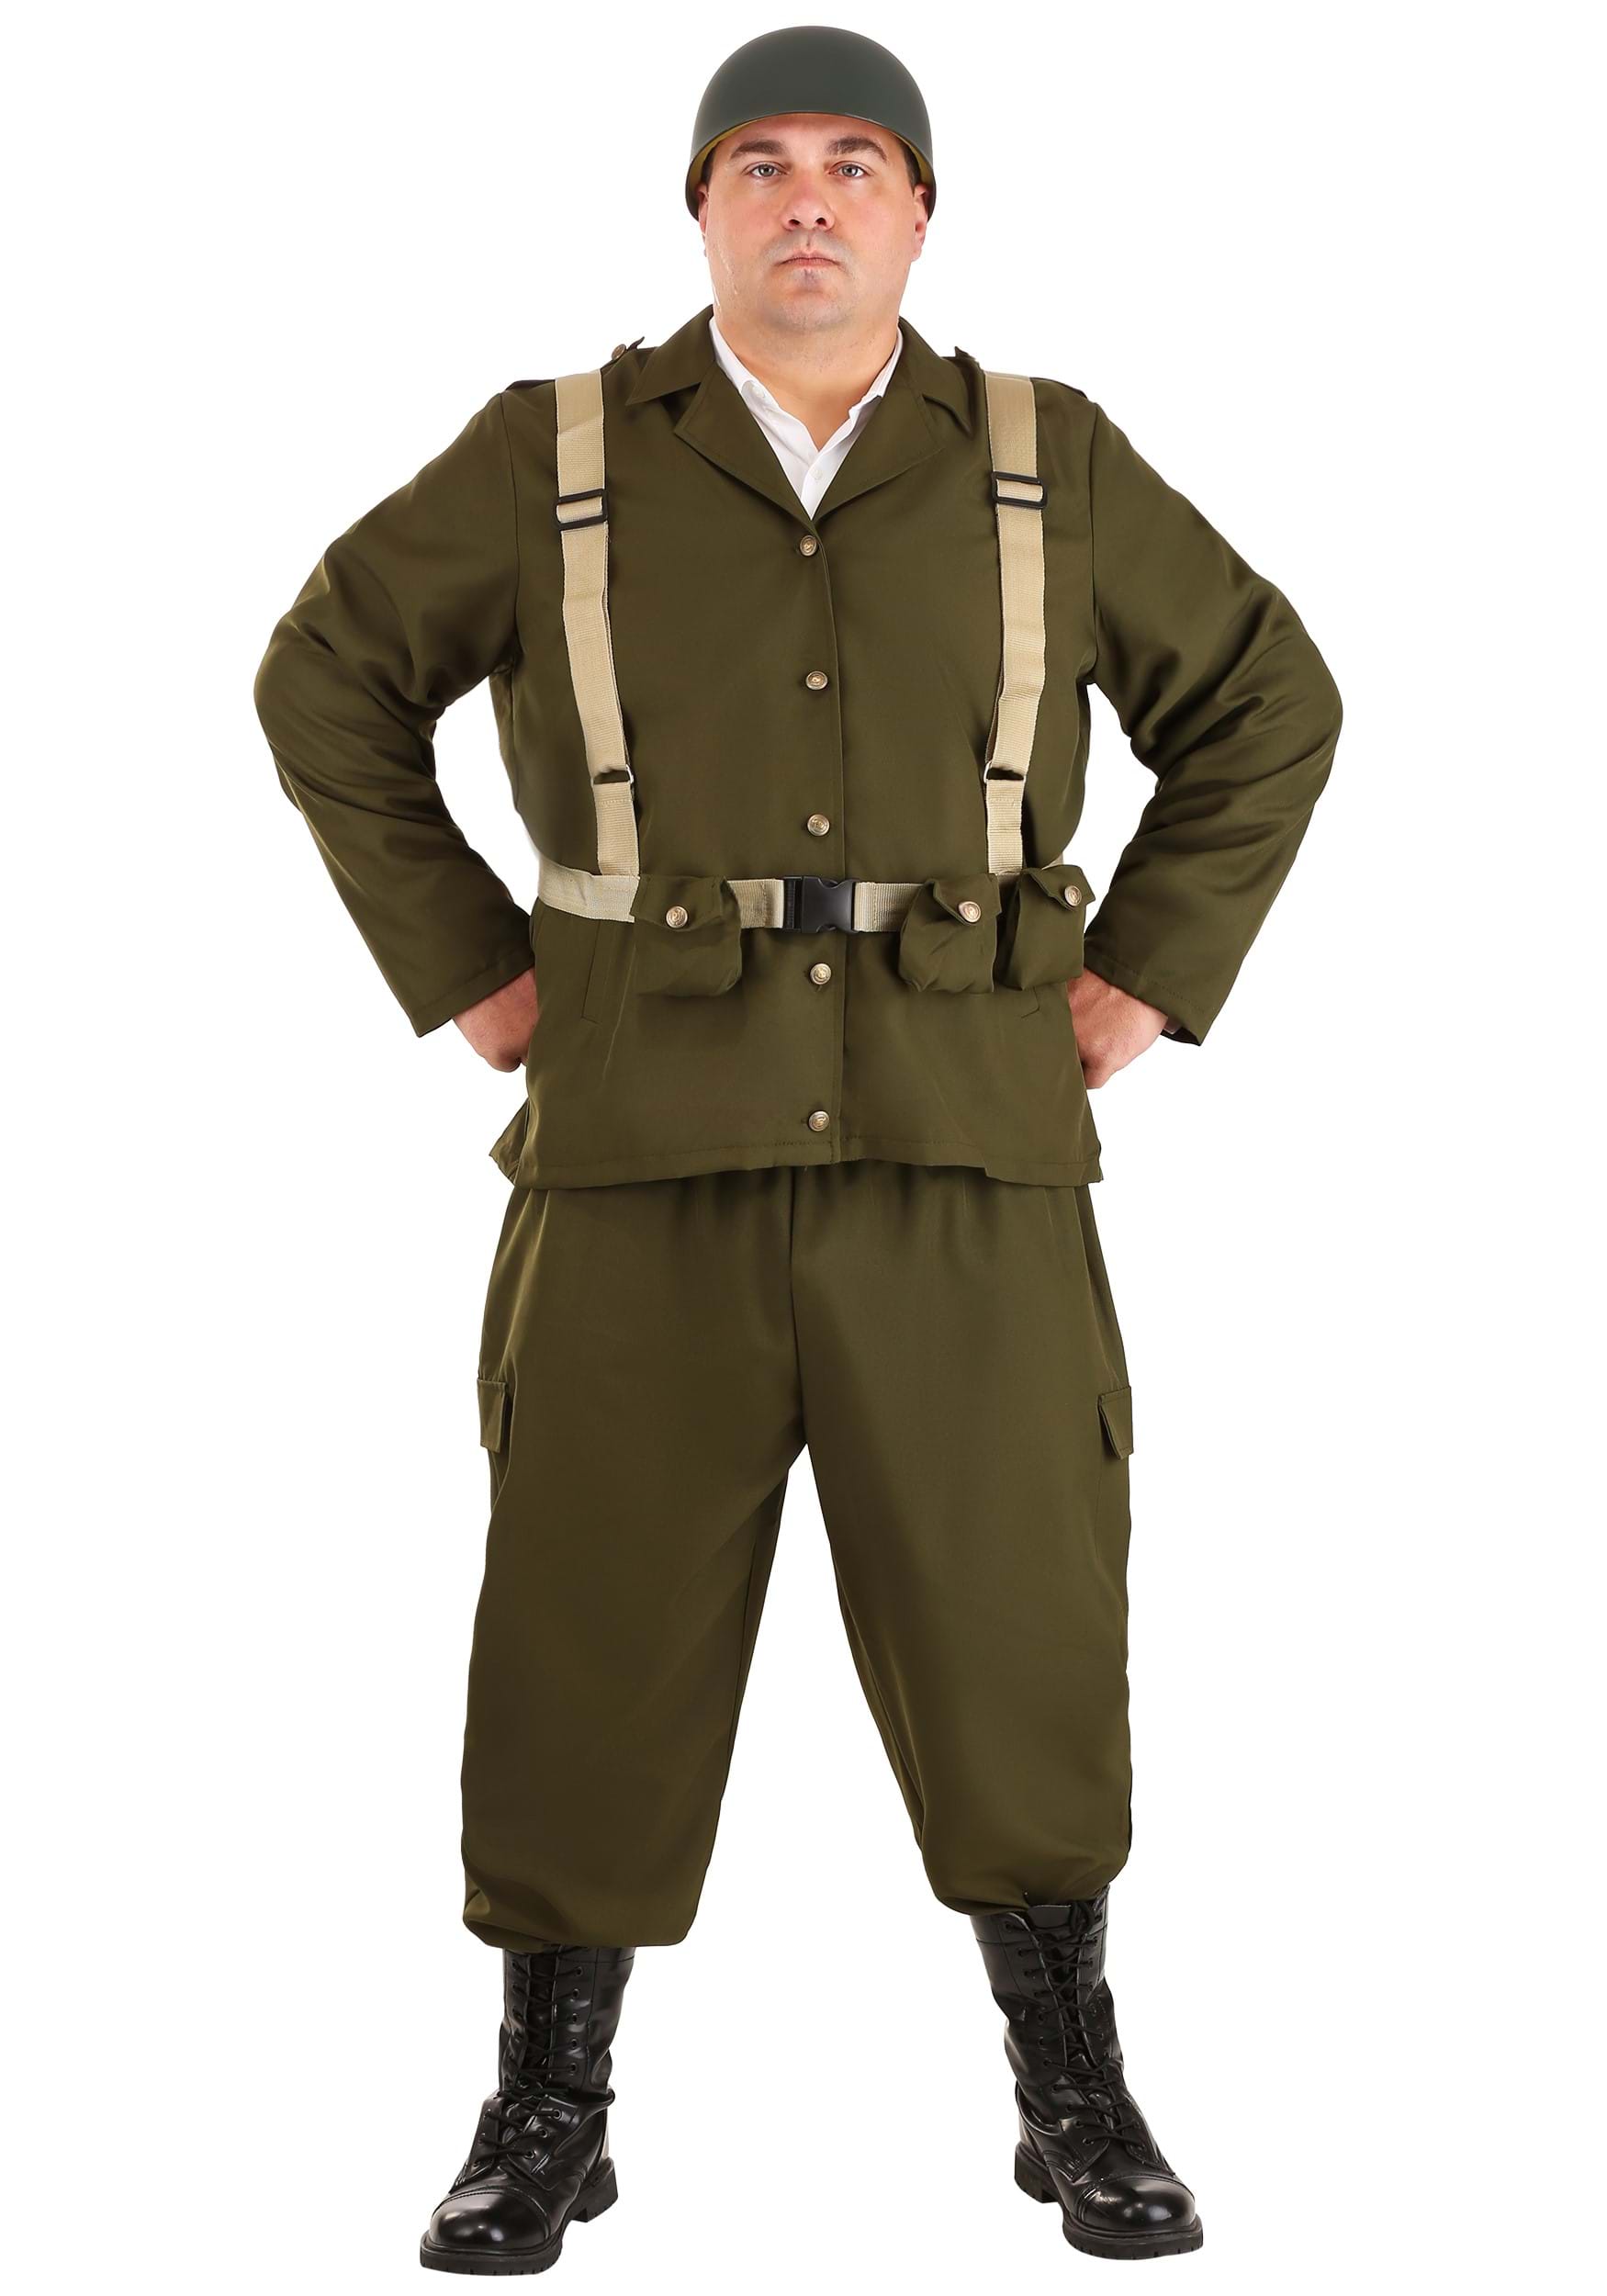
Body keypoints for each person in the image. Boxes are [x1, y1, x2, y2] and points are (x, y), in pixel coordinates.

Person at [253, 23, 1341, 2274]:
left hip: (967, 1152)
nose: (810, 200)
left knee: (1019, 1618)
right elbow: (326, 672)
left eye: (856, 162)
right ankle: (547, 2103)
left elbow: (1265, 697)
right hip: (635, 1153)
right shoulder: (555, 451)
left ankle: (1071, 2086)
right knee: (586, 1627)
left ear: (921, 210)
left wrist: (1142, 979)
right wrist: (474, 971)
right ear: (702, 210)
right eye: (758, 164)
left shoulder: (1041, 456)